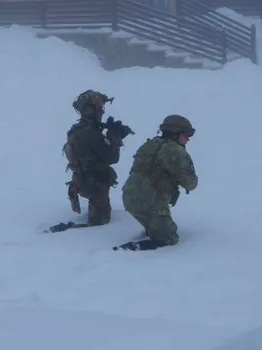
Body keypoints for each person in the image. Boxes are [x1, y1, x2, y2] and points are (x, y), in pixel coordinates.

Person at [119, 114, 198, 251]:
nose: (188, 139)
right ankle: (133, 249)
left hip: (130, 198)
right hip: (151, 203)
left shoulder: (150, 144)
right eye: (186, 135)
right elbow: (191, 183)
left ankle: (153, 228)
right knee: (169, 239)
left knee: (155, 225)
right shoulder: (175, 150)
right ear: (176, 134)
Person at [53, 90, 130, 231]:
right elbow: (113, 158)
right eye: (99, 108)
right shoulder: (91, 134)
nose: (102, 112)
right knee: (100, 225)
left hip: (80, 180)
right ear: (89, 110)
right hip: (94, 185)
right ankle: (68, 232)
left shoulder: (77, 130)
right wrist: (114, 138)